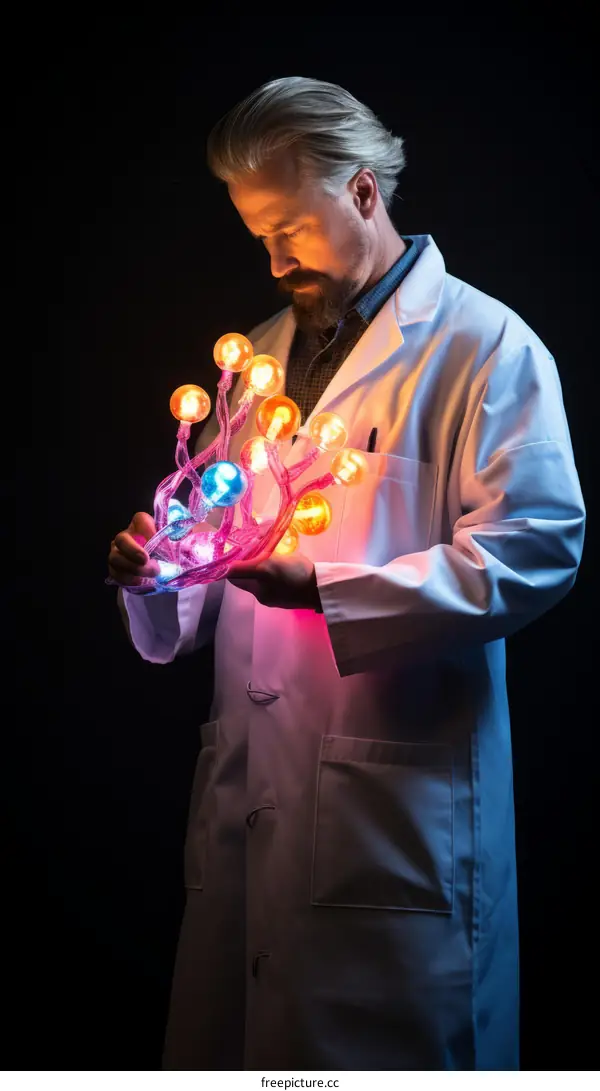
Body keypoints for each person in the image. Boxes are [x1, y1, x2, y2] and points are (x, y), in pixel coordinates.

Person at [108, 77, 585, 1071]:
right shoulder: (262, 361)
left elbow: (538, 546)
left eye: (290, 226)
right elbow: (220, 555)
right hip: (253, 795)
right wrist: (162, 567)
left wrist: (328, 591)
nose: (275, 261)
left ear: (363, 193)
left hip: (393, 817)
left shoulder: (485, 348)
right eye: (258, 235)